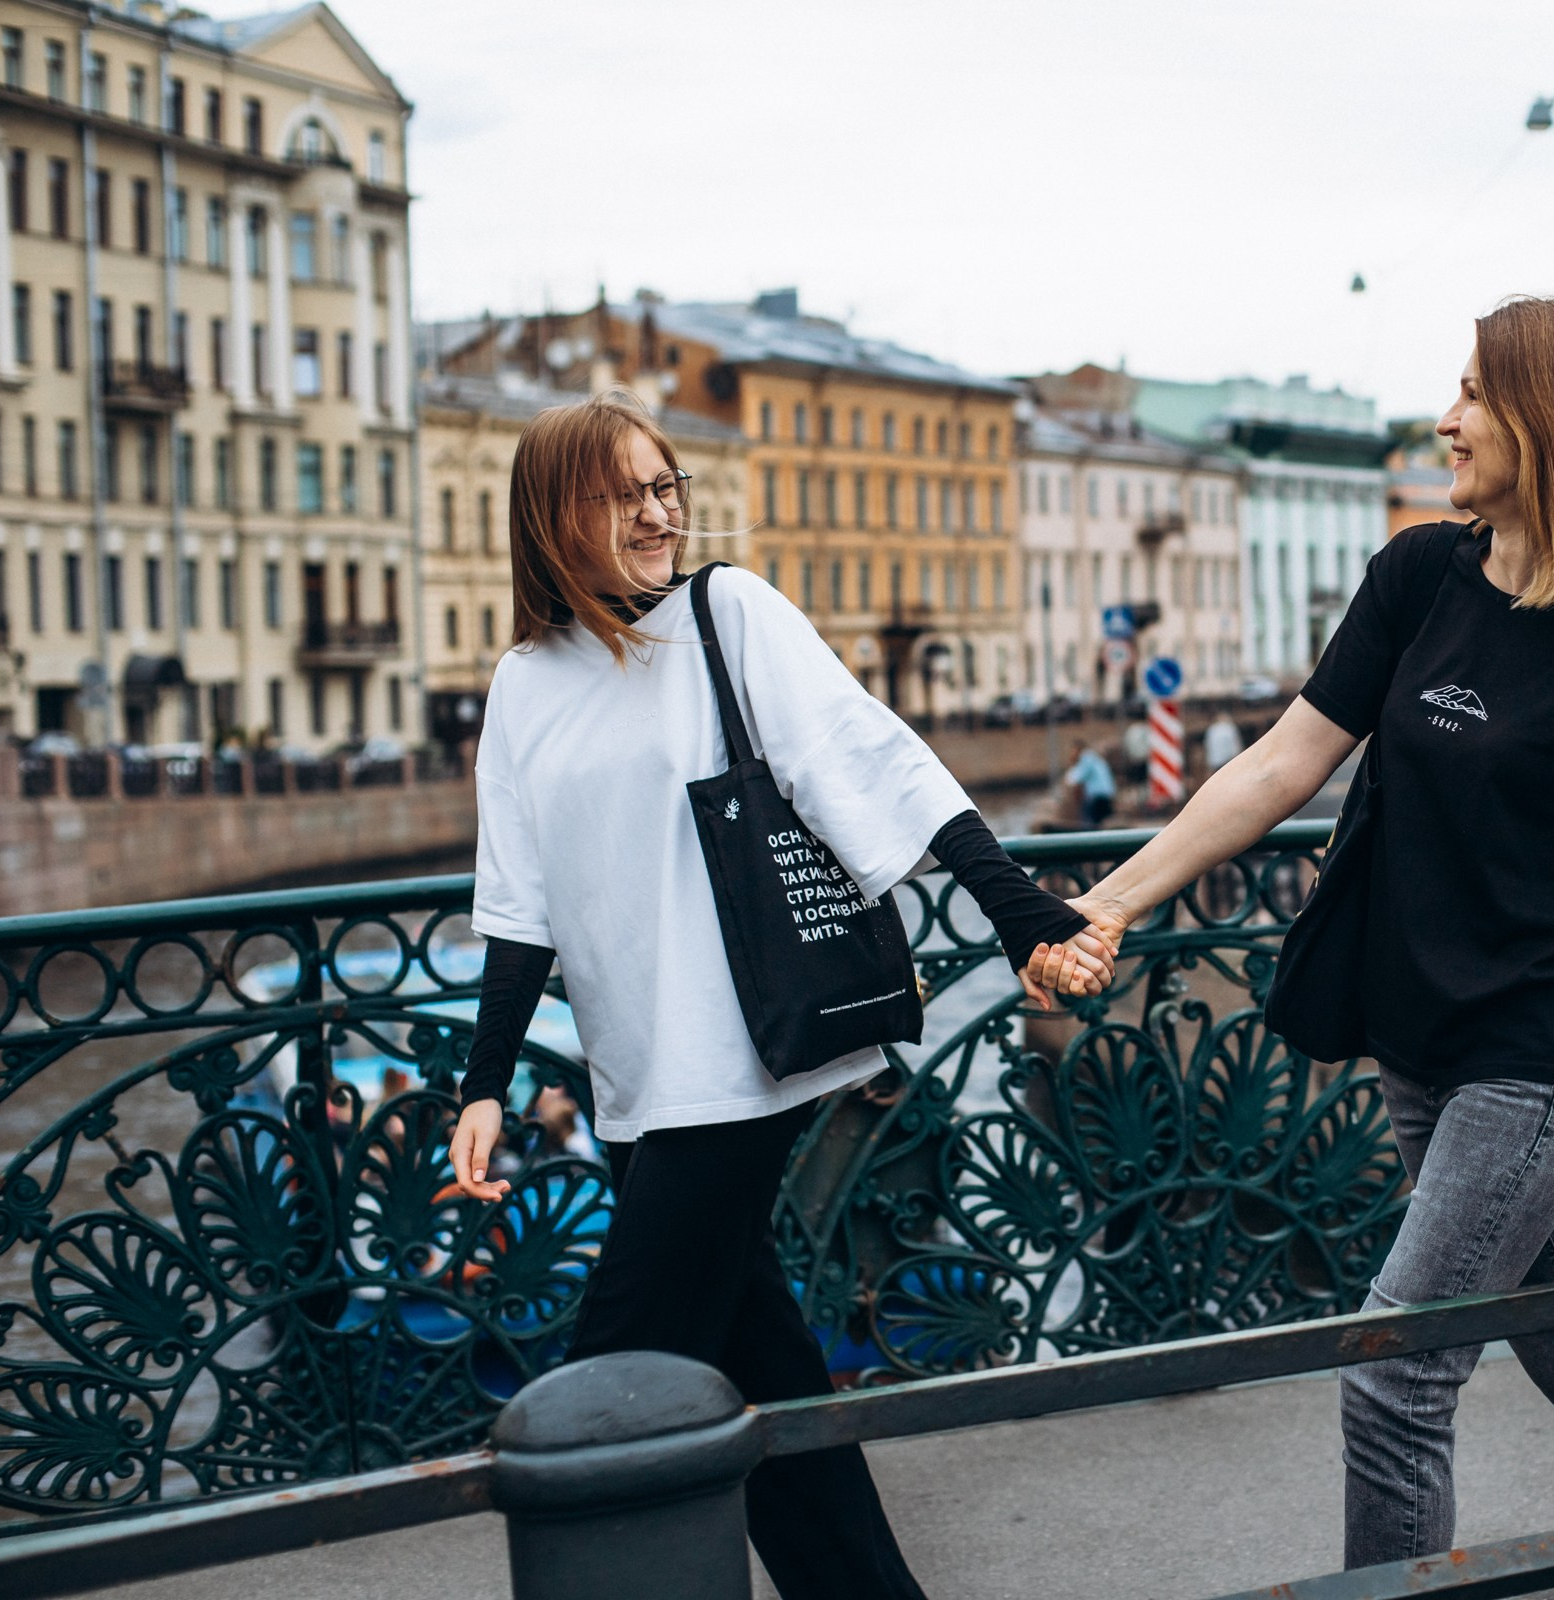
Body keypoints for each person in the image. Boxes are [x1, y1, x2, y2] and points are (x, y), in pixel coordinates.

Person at [1060, 300, 1554, 1599]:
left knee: (1392, 1371)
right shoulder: (1422, 577)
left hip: (1538, 1063)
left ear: (1553, 423)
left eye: (1477, 394)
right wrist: (1113, 902)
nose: (1447, 418)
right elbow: (1284, 760)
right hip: (1419, 1037)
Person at [441, 391, 1112, 1600]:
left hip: (746, 1056)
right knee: (761, 1361)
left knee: (612, 1376)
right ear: (553, 516)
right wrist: (484, 1082)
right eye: (622, 494)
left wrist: (1016, 910)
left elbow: (866, 758)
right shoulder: (523, 682)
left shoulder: (724, 613)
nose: (657, 514)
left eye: (666, 486)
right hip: (638, 1073)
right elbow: (517, 903)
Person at [1065, 738, 1116, 827]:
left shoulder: (1086, 758)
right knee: (1100, 824)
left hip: (1097, 796)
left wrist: (1071, 765)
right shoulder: (1095, 758)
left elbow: (1074, 778)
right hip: (1107, 795)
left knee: (1088, 823)